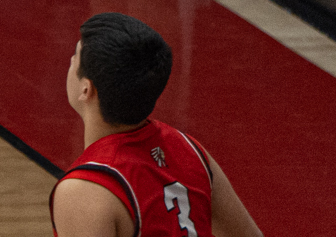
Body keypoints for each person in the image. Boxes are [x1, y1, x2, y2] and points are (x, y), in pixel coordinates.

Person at [52, 12, 262, 237]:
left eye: (75, 56)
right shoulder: (189, 149)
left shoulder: (84, 192)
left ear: (86, 89)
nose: (71, 61)